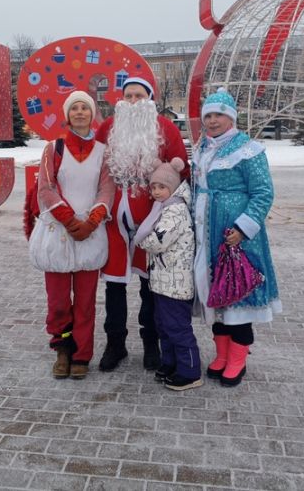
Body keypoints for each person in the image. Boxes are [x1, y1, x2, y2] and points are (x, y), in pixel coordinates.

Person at [96, 76, 190, 372]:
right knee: (114, 286)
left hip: (152, 218)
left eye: (139, 96)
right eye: (128, 96)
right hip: (114, 220)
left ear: (150, 100)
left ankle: (152, 343)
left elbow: (181, 170)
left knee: (150, 286)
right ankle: (115, 343)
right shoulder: (109, 128)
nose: (133, 101)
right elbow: (94, 167)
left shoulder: (166, 128)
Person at [192, 88, 282, 387]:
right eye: (208, 115)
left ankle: (237, 359)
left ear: (231, 118)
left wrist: (243, 228)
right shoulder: (202, 148)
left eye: (219, 115)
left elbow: (263, 193)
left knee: (237, 293)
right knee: (216, 296)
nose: (213, 121)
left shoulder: (248, 149)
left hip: (236, 238)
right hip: (208, 235)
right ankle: (221, 354)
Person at [37, 91, 115, 380]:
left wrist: (92, 220)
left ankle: (82, 354)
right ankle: (62, 348)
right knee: (58, 300)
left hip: (91, 233)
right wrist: (70, 220)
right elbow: (45, 188)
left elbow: (107, 188)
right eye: (75, 108)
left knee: (85, 301)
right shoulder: (53, 148)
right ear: (68, 115)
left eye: (85, 108)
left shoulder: (103, 152)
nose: (80, 112)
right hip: (59, 231)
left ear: (92, 114)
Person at [134, 157, 202, 390]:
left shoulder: (175, 210)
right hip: (163, 281)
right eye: (153, 187)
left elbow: (157, 241)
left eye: (161, 187)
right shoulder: (163, 207)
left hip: (176, 282)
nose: (156, 192)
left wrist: (141, 238)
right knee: (164, 325)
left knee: (177, 328)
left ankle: (190, 371)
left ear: (172, 187)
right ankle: (170, 362)